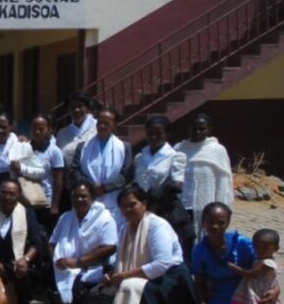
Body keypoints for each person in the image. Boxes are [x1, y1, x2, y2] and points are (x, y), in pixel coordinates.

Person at [102, 185, 197, 304]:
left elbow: (161, 264)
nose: (127, 210)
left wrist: (125, 275)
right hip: (144, 273)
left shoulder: (157, 225)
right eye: (123, 206)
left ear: (144, 204)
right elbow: (121, 260)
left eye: (132, 205)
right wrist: (112, 274)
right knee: (114, 285)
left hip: (170, 277)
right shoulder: (125, 229)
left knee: (131, 285)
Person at [187, 203, 258, 304]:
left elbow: (264, 268)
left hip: (243, 297)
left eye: (220, 223)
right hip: (217, 297)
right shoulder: (199, 250)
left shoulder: (242, 244)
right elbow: (199, 282)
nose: (215, 227)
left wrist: (274, 289)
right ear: (203, 222)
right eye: (210, 222)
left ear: (228, 222)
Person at [48, 183, 117, 304]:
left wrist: (78, 262)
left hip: (91, 266)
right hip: (63, 264)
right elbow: (52, 243)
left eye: (84, 196)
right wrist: (56, 261)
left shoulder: (105, 218)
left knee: (76, 289)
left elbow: (109, 247)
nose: (79, 199)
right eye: (76, 196)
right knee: (47, 275)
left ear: (93, 198)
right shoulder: (66, 217)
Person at [134, 115, 192, 255]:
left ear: (167, 135)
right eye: (150, 133)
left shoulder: (175, 156)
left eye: (159, 133)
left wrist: (155, 199)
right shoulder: (140, 157)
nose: (154, 137)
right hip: (142, 207)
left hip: (165, 207)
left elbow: (177, 184)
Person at [68, 107, 132, 229]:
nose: (102, 126)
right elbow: (74, 170)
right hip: (86, 200)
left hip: (112, 201)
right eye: (100, 122)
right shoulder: (83, 146)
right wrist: (89, 188)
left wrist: (105, 187)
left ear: (114, 125)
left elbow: (126, 175)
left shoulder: (124, 147)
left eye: (106, 123)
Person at [175, 114, 233, 242]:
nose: (197, 132)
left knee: (205, 240)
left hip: (207, 206)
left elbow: (223, 181)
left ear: (209, 129)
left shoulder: (217, 150)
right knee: (184, 240)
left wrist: (220, 206)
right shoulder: (179, 149)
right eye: (194, 128)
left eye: (202, 129)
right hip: (182, 206)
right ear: (188, 128)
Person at [13, 113, 65, 234]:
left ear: (48, 130)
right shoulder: (23, 148)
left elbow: (58, 181)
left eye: (41, 129)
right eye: (34, 129)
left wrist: (55, 205)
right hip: (26, 201)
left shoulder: (54, 151)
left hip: (45, 202)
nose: (37, 132)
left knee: (44, 234)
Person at [56, 91, 96, 165]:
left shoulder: (98, 128)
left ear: (87, 108)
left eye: (80, 106)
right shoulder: (62, 133)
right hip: (69, 171)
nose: (76, 110)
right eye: (72, 107)